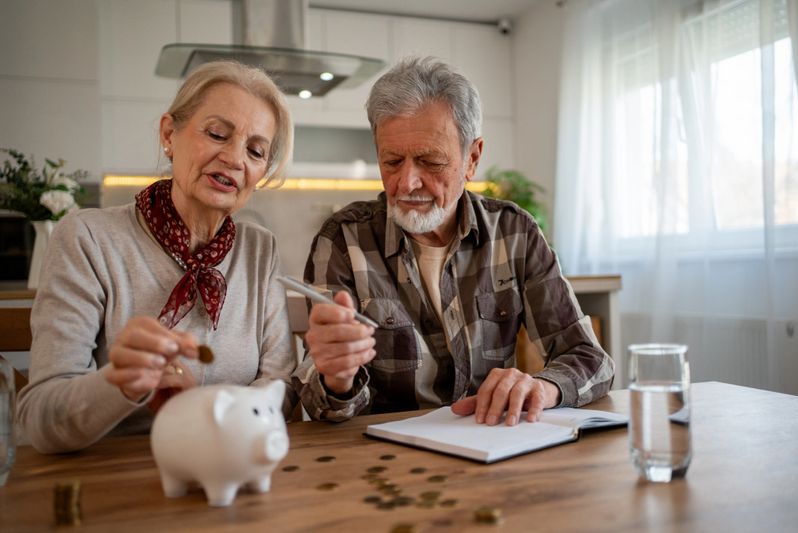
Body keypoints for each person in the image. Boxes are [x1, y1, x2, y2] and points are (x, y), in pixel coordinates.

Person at [294, 57, 614, 425]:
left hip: (491, 441)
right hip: (385, 455)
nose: (407, 182)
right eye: (392, 161)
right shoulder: (342, 240)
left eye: (430, 161)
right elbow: (322, 408)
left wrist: (543, 388)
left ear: (472, 159)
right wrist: (337, 380)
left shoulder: (514, 232)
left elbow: (592, 360)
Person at [18, 61, 297, 453]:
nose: (235, 159)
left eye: (255, 151)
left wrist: (205, 410)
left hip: (226, 468)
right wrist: (123, 382)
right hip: (115, 482)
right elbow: (39, 420)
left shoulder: (258, 250)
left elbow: (280, 388)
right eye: (217, 134)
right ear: (169, 134)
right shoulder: (88, 239)